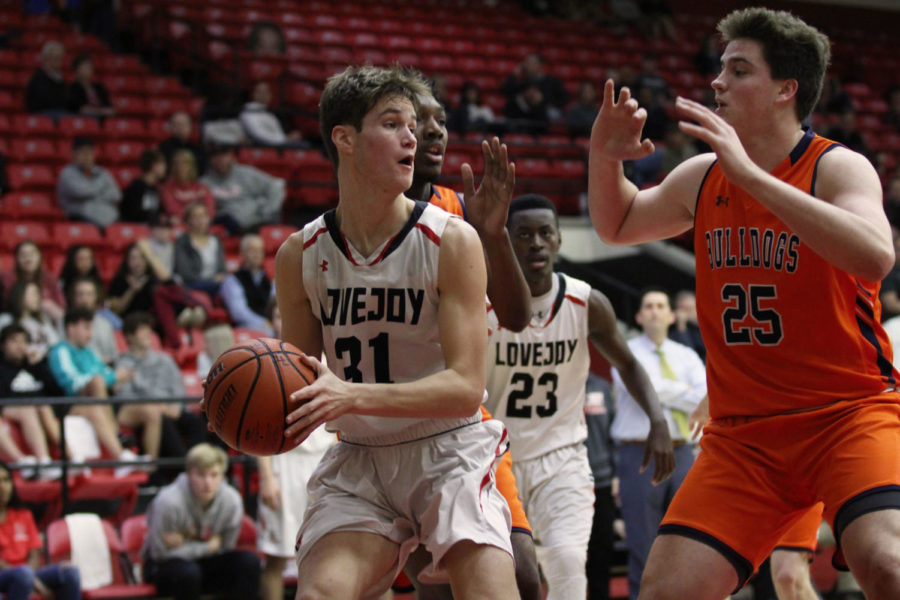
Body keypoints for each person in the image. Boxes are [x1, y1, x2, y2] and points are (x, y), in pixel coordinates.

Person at [587, 7, 900, 599]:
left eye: (738, 69)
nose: (716, 82)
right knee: (665, 592)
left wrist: (753, 177)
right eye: (720, 68)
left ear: (786, 89)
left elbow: (875, 256)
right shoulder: (704, 175)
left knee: (887, 564)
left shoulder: (837, 166)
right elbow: (618, 222)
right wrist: (605, 156)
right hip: (745, 436)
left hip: (846, 415)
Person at [275, 65, 518, 599]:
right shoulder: (300, 254)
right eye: (392, 124)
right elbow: (295, 384)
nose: (413, 137)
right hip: (361, 457)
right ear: (344, 138)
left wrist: (349, 394)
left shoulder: (451, 240)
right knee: (319, 594)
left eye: (414, 125)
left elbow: (464, 391)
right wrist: (251, 409)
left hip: (448, 450)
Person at [484, 195, 674, 600]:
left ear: (558, 241)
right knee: (510, 578)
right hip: (495, 459)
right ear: (507, 242)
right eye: (523, 235)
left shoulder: (586, 301)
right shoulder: (482, 302)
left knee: (569, 565)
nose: (535, 243)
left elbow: (629, 364)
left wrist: (658, 421)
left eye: (544, 233)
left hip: (563, 459)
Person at [404, 90, 539, 599]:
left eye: (440, 120)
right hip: (394, 427)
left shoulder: (460, 207)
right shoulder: (356, 222)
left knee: (525, 578)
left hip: (462, 423)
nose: (435, 129)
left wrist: (494, 233)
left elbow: (518, 316)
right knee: (443, 590)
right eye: (420, 119)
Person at [610, 288, 705, 599]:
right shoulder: (624, 352)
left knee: (689, 538)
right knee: (643, 543)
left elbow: (705, 398)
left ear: (671, 315)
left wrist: (661, 389)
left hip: (683, 452)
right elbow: (644, 387)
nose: (654, 311)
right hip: (639, 454)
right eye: (647, 306)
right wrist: (683, 391)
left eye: (660, 305)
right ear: (638, 317)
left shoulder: (687, 355)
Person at [256, 300, 334, 600]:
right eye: (277, 314)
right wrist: (266, 476)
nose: (282, 318)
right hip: (283, 460)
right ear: (272, 321)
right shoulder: (261, 361)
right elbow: (256, 427)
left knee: (332, 555)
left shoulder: (331, 354)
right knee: (276, 557)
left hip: (325, 457)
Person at [142, 443, 261, 600]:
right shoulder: (168, 501)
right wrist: (207, 546)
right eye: (200, 475)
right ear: (189, 474)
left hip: (202, 564)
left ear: (222, 476)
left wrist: (184, 541)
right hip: (163, 567)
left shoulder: (232, 501)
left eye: (213, 475)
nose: (207, 482)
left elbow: (225, 547)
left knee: (249, 562)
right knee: (189, 573)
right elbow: (160, 554)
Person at [47, 308, 148, 475]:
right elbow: (71, 383)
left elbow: (107, 373)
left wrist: (113, 377)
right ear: (71, 328)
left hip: (92, 405)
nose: (90, 333)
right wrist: (110, 378)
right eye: (86, 327)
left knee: (97, 401)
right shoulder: (60, 350)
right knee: (97, 382)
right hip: (68, 404)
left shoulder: (89, 352)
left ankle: (122, 457)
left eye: (91, 327)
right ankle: (117, 435)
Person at [115, 312, 205, 482]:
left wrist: (176, 407)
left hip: (172, 408)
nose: (147, 334)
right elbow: (125, 397)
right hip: (149, 412)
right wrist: (159, 406)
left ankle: (199, 464)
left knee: (197, 423)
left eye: (148, 330)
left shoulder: (165, 360)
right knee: (161, 421)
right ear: (129, 336)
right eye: (142, 330)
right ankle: (185, 470)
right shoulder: (123, 365)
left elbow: (178, 387)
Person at [0, 461, 81, 600]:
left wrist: (30, 576)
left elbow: (34, 554)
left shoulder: (24, 515)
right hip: (5, 575)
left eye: (6, 480)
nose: (3, 487)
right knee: (23, 575)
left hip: (27, 574)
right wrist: (33, 580)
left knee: (69, 572)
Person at [0, 324, 63, 481]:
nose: (20, 346)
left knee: (43, 406)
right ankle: (38, 461)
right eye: (14, 341)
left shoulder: (34, 366)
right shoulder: (2, 368)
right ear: (3, 345)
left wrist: (39, 365)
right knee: (29, 408)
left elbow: (57, 392)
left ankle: (69, 457)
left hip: (40, 408)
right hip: (10, 407)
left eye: (24, 341)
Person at [584, 373, 618, 600]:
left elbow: (614, 433)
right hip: (567, 479)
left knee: (601, 551)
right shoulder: (560, 382)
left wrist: (617, 473)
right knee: (568, 553)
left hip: (602, 480)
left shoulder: (602, 387)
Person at [199, 145, 284, 234]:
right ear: (210, 160)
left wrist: (267, 211)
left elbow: (275, 186)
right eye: (216, 156)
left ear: (230, 156)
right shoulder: (204, 183)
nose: (220, 160)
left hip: (254, 224)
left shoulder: (246, 173)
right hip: (226, 229)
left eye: (223, 155)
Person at [57, 136, 122, 229]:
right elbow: (81, 192)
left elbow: (116, 195)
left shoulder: (103, 172)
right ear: (74, 154)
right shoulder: (67, 173)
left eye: (90, 152)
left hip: (112, 221)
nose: (87, 156)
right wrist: (102, 188)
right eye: (83, 152)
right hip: (82, 221)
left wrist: (93, 196)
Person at [172, 202, 226, 304]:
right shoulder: (182, 242)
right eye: (195, 217)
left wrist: (221, 276)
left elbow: (222, 269)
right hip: (192, 284)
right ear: (188, 221)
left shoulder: (215, 240)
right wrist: (211, 282)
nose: (200, 220)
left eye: (203, 216)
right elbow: (185, 273)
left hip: (215, 284)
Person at [219, 234, 273, 334]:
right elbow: (239, 313)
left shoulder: (269, 280)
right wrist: (264, 323)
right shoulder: (232, 281)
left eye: (260, 250)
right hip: (246, 329)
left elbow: (275, 305)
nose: (257, 254)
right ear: (242, 253)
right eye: (252, 250)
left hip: (271, 325)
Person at [1, 241, 65, 323]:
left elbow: (61, 305)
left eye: (32, 254)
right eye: (23, 255)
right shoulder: (6, 278)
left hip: (46, 319)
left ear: (40, 256)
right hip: (16, 319)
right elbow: (6, 303)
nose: (28, 258)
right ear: (16, 258)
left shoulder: (49, 278)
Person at [0, 281, 61, 363]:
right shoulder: (6, 319)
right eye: (34, 294)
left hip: (43, 364)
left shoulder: (42, 321)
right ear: (20, 295)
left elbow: (56, 345)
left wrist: (41, 354)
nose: (38, 298)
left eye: (38, 294)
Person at [500, 53, 569, 121]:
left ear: (540, 65)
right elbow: (505, 91)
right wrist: (514, 75)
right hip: (526, 114)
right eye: (526, 63)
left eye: (531, 63)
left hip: (545, 114)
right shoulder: (524, 82)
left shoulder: (552, 81)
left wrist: (549, 104)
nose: (527, 65)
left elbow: (565, 98)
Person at [67, 276, 118, 365]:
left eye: (89, 294)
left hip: (105, 371)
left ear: (96, 297)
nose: (85, 299)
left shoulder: (105, 324)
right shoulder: (65, 322)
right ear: (73, 297)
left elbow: (114, 355)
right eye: (80, 294)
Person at [239, 81, 304, 147]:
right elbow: (257, 134)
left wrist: (288, 137)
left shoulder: (269, 114)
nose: (263, 95)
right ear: (253, 94)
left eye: (266, 91)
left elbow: (278, 133)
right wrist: (285, 139)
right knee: (303, 146)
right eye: (260, 91)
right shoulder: (248, 110)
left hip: (277, 143)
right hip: (262, 145)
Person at [160, 149, 216, 225]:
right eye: (177, 164)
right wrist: (196, 216)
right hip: (180, 225)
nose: (181, 167)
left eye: (185, 164)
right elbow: (172, 209)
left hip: (201, 225)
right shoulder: (167, 187)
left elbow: (210, 210)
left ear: (192, 167)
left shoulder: (201, 187)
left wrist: (197, 217)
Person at [121, 149, 167, 224]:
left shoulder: (154, 188)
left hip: (153, 227)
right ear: (154, 165)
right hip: (137, 228)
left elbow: (158, 211)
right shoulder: (136, 187)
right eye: (162, 164)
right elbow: (132, 213)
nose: (165, 168)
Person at [25, 40, 67, 115]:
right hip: (42, 113)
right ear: (46, 59)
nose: (59, 62)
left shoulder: (60, 78)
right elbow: (38, 100)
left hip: (58, 112)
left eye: (60, 58)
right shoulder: (39, 77)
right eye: (56, 58)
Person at [67, 53, 114, 118]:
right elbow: (79, 109)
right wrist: (101, 111)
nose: (88, 69)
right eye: (85, 67)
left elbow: (110, 108)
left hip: (102, 118)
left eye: (90, 67)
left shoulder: (99, 87)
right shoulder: (73, 88)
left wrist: (99, 111)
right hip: (85, 119)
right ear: (77, 69)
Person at [668, 289, 705, 361]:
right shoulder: (676, 333)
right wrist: (681, 326)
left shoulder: (708, 326)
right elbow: (689, 356)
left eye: (691, 309)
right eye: (684, 310)